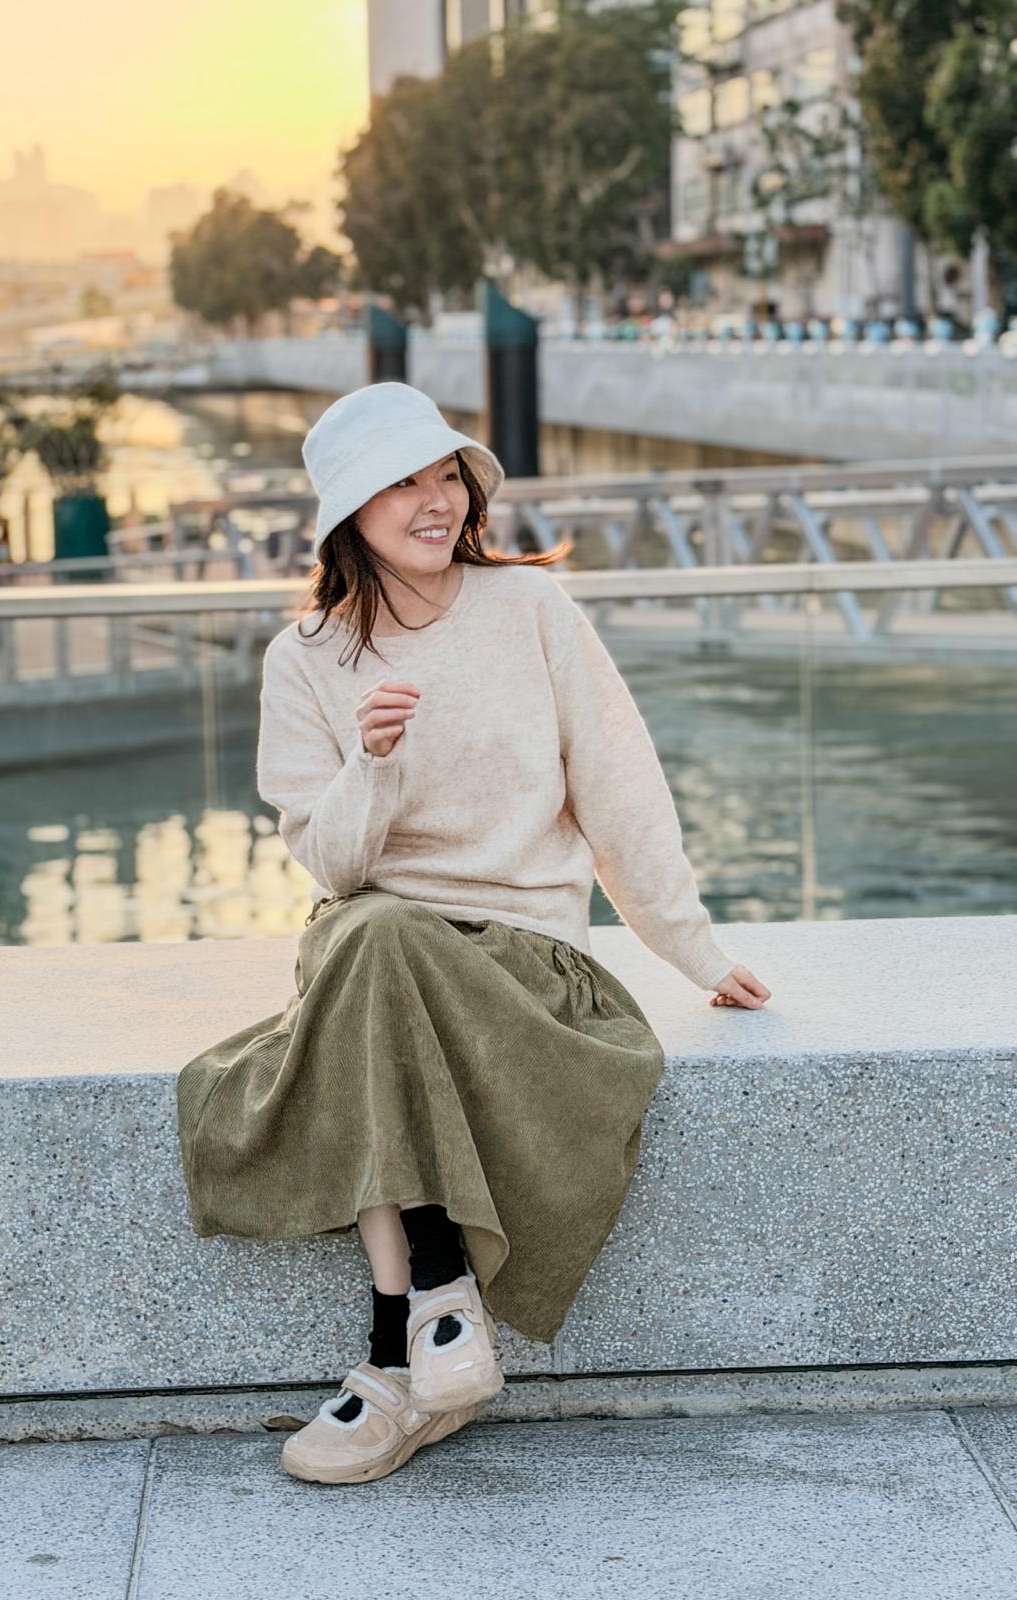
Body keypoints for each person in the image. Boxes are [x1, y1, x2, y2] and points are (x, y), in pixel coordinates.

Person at [175, 381, 771, 1488]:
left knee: (374, 955)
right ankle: (437, 1323)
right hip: (375, 952)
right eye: (401, 483)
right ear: (350, 513)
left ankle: (395, 1344)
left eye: (444, 474)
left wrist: (694, 950)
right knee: (374, 936)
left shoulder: (532, 609)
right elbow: (333, 868)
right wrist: (373, 765)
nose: (434, 500)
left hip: (519, 966)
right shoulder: (304, 659)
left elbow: (621, 790)